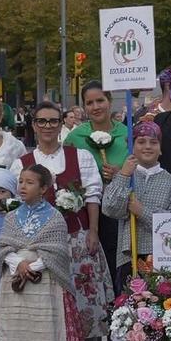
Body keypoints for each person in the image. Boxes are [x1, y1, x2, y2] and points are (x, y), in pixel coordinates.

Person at [11, 101, 110, 341]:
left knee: (87, 297)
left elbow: (93, 196)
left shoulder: (80, 156)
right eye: (41, 121)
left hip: (77, 236)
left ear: (61, 124)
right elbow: (16, 204)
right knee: (49, 301)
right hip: (39, 244)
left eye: (53, 121)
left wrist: (93, 231)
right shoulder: (22, 163)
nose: (48, 126)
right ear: (33, 125)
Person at [99, 121, 171, 341]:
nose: (147, 147)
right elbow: (110, 208)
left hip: (161, 258)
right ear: (133, 146)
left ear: (160, 148)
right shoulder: (125, 176)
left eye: (153, 142)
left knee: (155, 315)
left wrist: (143, 212)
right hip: (129, 255)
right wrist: (123, 176)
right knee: (124, 314)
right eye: (141, 142)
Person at [0, 164, 86, 341]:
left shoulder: (54, 217)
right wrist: (18, 264)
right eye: (21, 181)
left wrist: (33, 266)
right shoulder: (12, 217)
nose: (23, 186)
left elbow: (58, 252)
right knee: (16, 325)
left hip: (46, 279)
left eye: (30, 182)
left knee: (52, 325)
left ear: (43, 188)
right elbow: (3, 245)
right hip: (16, 279)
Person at [65, 82, 128, 273]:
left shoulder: (127, 134)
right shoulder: (75, 137)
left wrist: (121, 173)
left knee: (118, 261)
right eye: (89, 103)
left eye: (100, 100)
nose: (95, 107)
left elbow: (141, 167)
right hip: (88, 211)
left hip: (121, 210)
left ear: (109, 101)